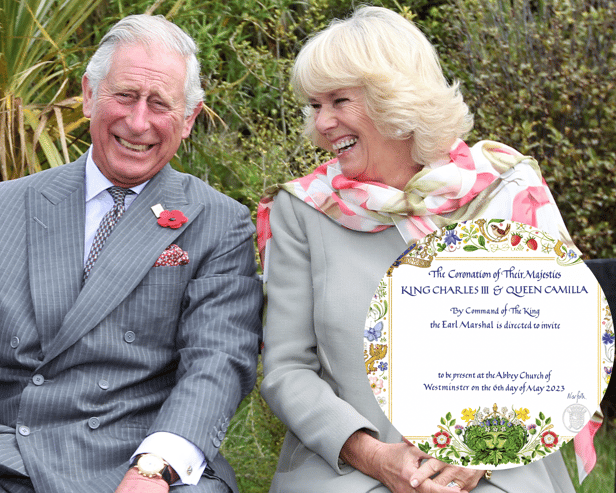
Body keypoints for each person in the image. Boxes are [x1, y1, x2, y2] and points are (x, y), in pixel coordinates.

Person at [257, 6, 577, 493]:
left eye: (339, 100)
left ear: (394, 99)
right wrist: (373, 454)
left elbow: (561, 344)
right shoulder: (304, 210)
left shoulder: (505, 190)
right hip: (348, 467)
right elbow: (286, 368)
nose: (322, 123)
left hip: (499, 459)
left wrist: (479, 451)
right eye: (315, 105)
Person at [0, 14, 262, 493]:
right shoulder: (7, 205)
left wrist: (156, 467)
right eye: (124, 96)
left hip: (141, 454)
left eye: (160, 104)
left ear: (188, 120)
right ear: (89, 95)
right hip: (12, 449)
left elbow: (217, 361)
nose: (138, 122)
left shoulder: (218, 222)